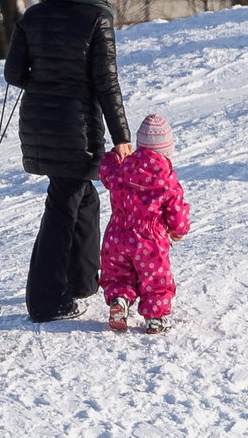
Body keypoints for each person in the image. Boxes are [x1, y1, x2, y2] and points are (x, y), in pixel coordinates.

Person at [4, 0, 132, 323]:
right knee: (63, 204)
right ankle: (45, 302)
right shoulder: (98, 16)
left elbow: (14, 74)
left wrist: (45, 80)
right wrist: (122, 136)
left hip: (40, 124)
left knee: (83, 198)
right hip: (77, 128)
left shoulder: (34, 14)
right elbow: (106, 81)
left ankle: (80, 283)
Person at [98, 114, 190, 334]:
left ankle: (119, 301)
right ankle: (156, 318)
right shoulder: (167, 179)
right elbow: (176, 210)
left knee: (119, 274)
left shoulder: (123, 169)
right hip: (150, 241)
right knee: (156, 279)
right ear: (167, 152)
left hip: (117, 236)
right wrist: (179, 230)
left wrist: (113, 155)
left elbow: (105, 172)